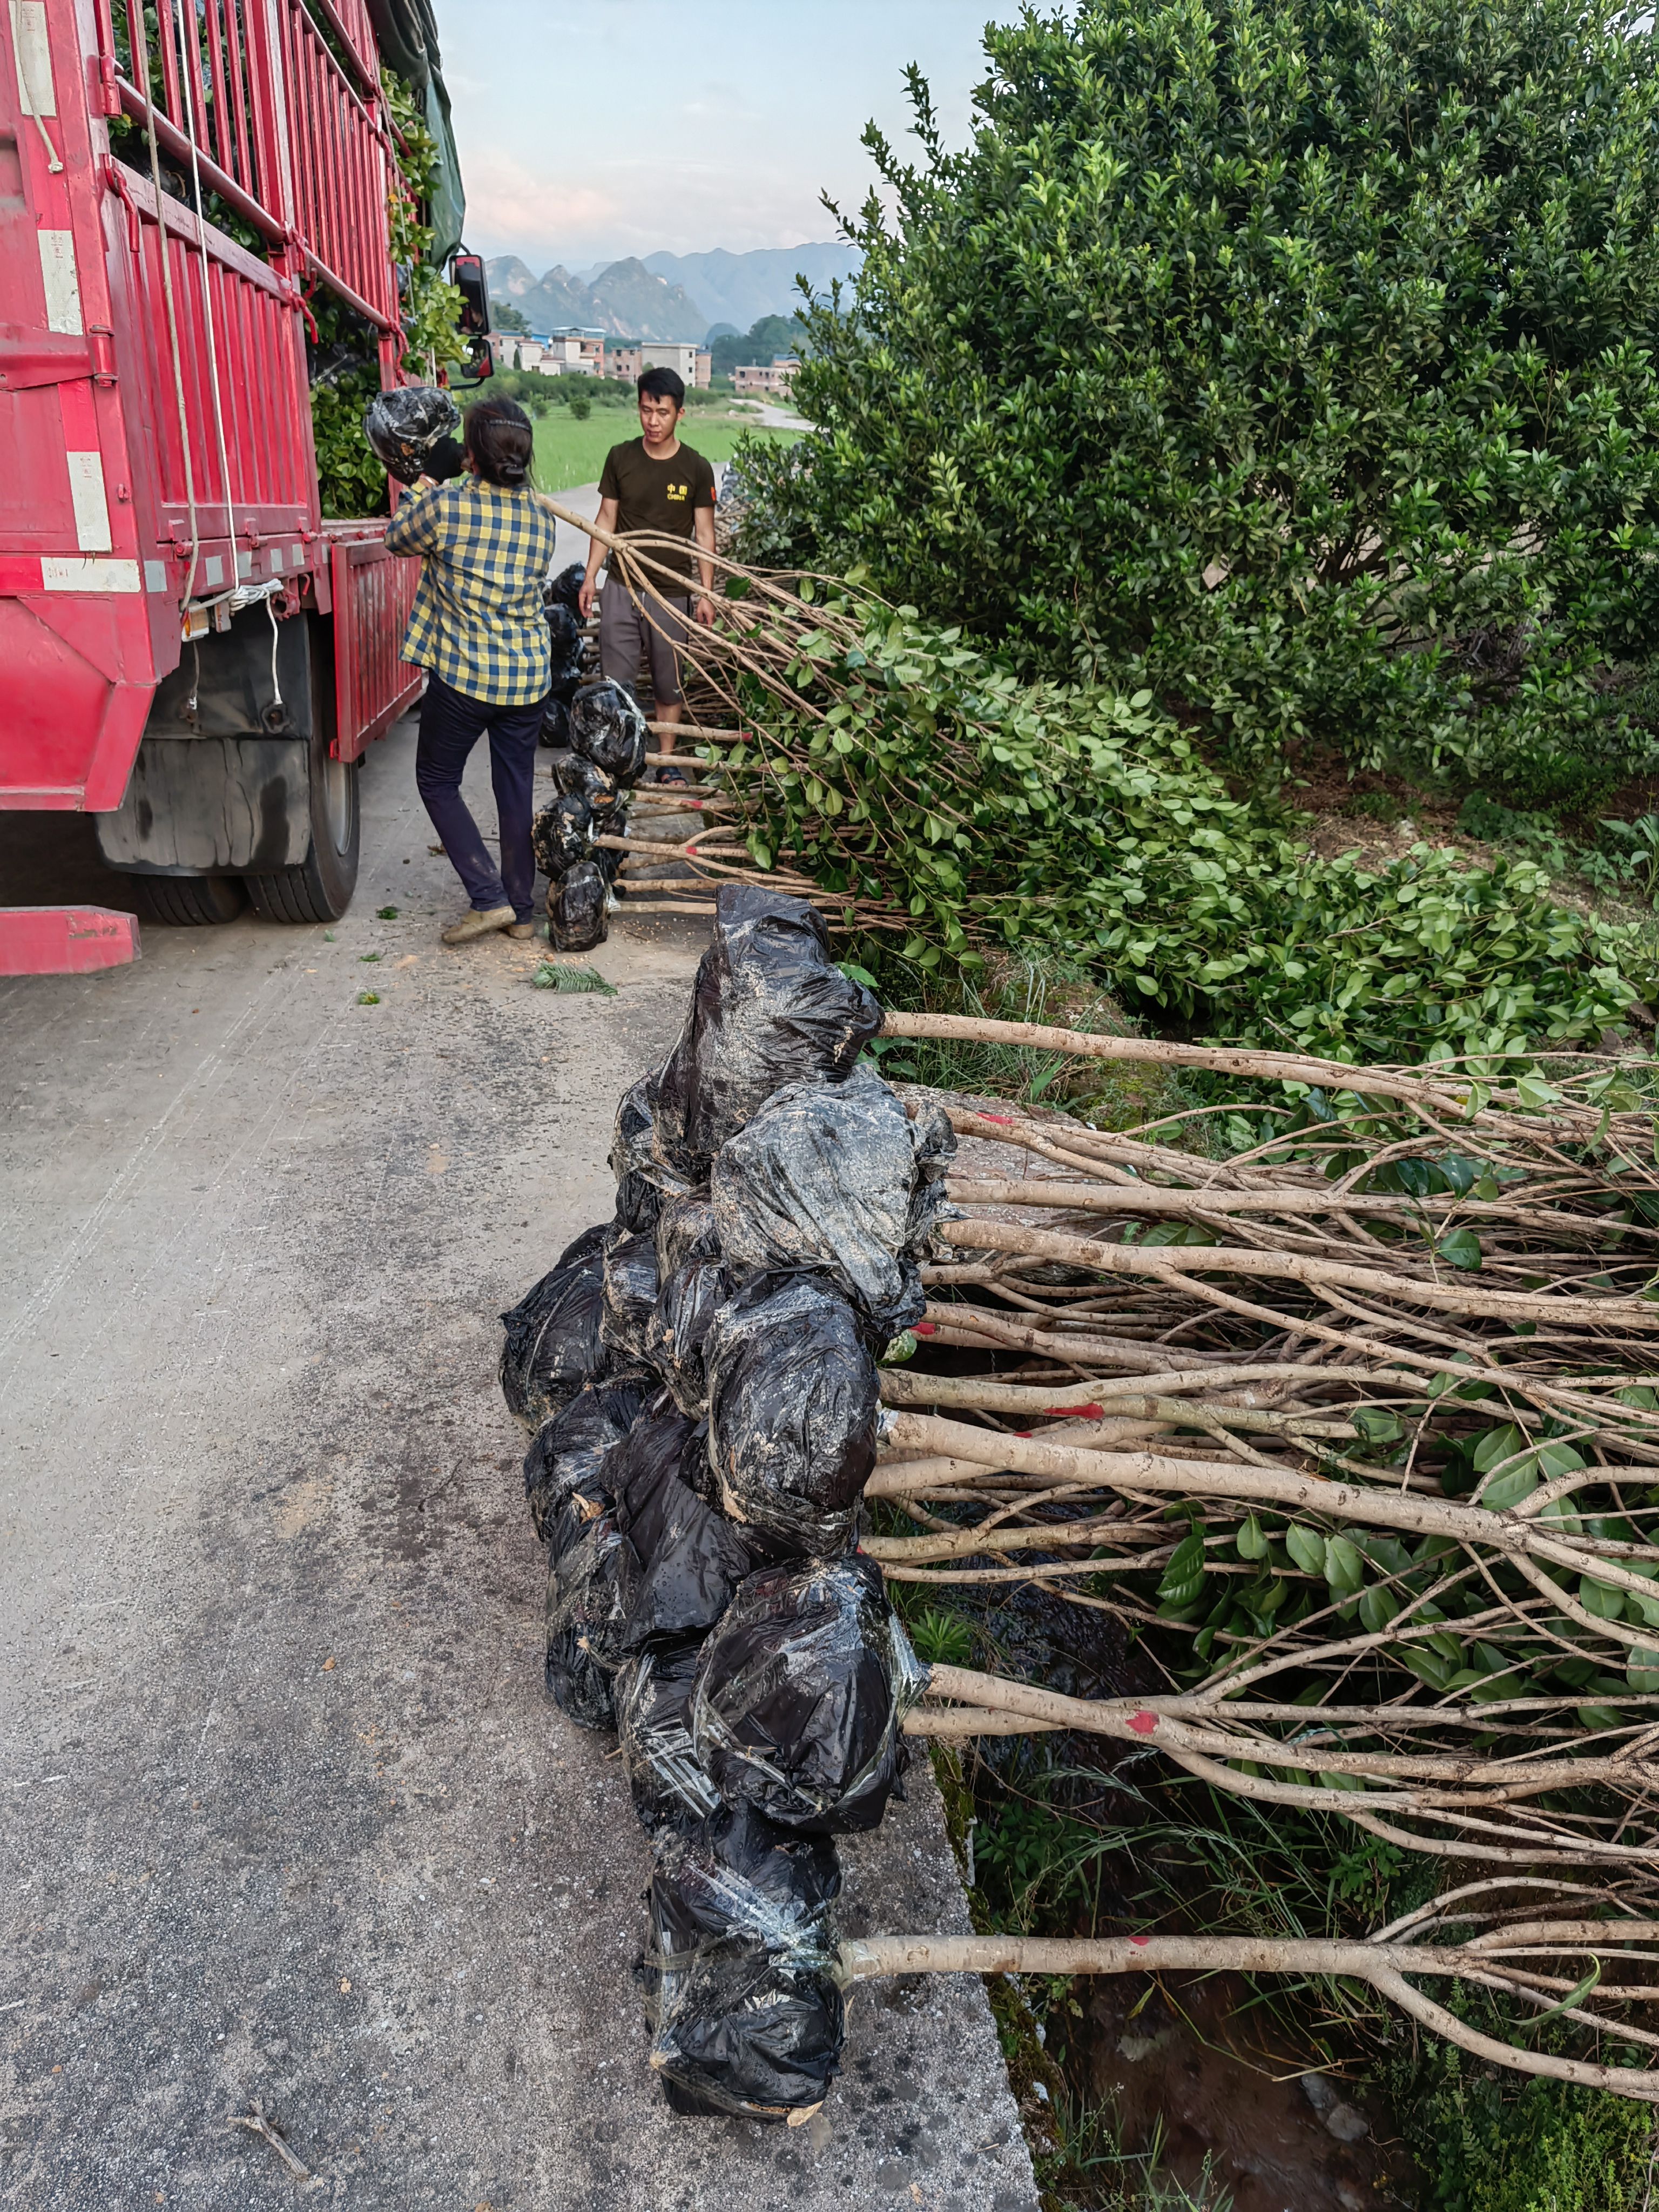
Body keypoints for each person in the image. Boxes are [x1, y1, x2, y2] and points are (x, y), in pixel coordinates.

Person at [385, 395, 558, 945]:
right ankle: (523, 912)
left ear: (471, 456)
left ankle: (489, 899)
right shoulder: (542, 516)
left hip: (465, 679)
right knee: (515, 790)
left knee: (437, 781)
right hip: (528, 679)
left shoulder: (448, 508)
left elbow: (397, 539)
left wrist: (426, 478)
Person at [578, 366, 716, 785]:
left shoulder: (696, 468)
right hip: (621, 585)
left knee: (667, 682)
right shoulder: (621, 457)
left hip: (672, 591)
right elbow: (605, 519)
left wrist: (705, 594)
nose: (653, 421)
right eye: (645, 410)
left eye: (662, 412)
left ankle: (666, 762)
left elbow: (705, 534)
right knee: (616, 683)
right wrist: (590, 578)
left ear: (680, 414)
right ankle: (622, 763)